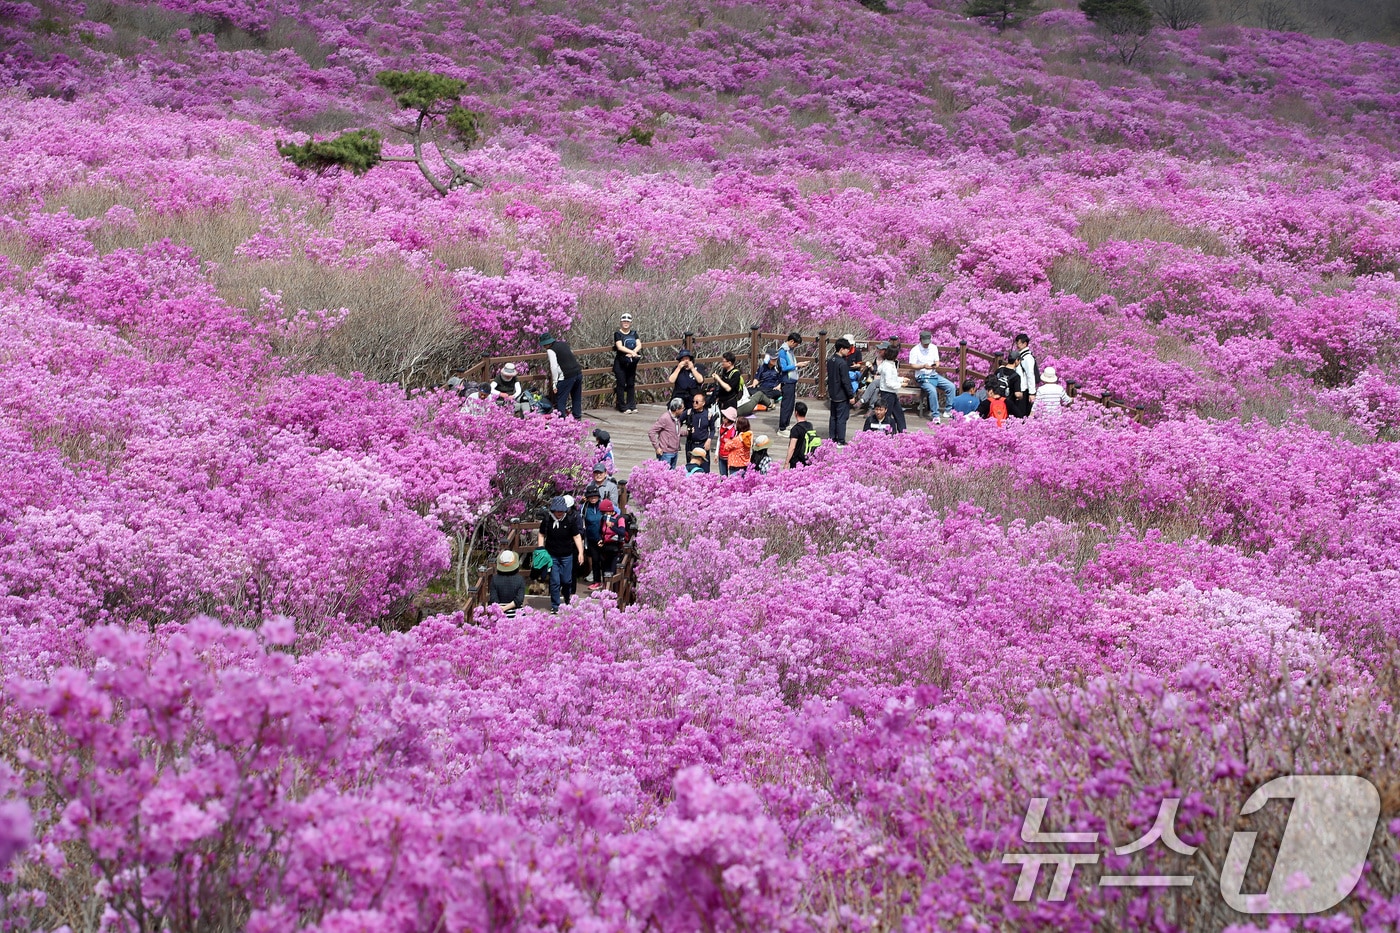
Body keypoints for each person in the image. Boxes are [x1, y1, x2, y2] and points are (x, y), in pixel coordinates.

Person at [538, 496, 583, 612]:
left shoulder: (569, 520)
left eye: (562, 511)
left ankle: (567, 598)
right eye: (557, 511)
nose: (559, 513)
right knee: (555, 581)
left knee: (566, 581)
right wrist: (541, 549)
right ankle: (555, 605)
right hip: (552, 555)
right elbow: (541, 534)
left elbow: (577, 536)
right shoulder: (547, 520)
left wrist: (580, 552)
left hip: (567, 555)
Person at [909, 330, 956, 421]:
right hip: (922, 376)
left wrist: (936, 365)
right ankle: (935, 415)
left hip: (933, 374)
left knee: (951, 386)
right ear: (920, 340)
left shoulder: (934, 348)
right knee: (932, 391)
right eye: (925, 343)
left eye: (928, 342)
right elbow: (913, 365)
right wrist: (923, 366)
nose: (926, 345)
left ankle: (948, 410)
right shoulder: (915, 350)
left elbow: (937, 361)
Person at [542, 334, 583, 420]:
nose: (544, 347)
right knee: (576, 397)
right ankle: (577, 417)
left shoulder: (551, 350)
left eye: (544, 345)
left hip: (566, 376)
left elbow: (554, 367)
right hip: (578, 372)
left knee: (560, 399)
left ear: (547, 344)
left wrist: (555, 382)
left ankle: (561, 420)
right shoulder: (563, 344)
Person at [826, 338, 855, 445]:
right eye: (847, 349)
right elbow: (845, 381)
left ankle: (832, 438)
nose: (848, 351)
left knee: (833, 417)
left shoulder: (831, 360)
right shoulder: (842, 363)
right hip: (842, 395)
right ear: (842, 349)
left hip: (833, 394)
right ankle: (841, 440)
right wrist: (851, 395)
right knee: (842, 418)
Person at [875, 344, 906, 434]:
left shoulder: (887, 363)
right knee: (886, 415)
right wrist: (900, 385)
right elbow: (889, 383)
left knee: (899, 413)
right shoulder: (888, 366)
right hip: (887, 393)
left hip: (891, 393)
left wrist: (902, 379)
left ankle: (903, 432)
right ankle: (886, 433)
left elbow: (892, 377)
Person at [613, 313, 641, 414]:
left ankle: (631, 405)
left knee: (630, 383)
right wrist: (632, 352)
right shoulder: (618, 334)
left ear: (631, 322)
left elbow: (639, 344)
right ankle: (622, 406)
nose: (626, 323)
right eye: (624, 321)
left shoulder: (634, 333)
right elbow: (619, 347)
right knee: (621, 384)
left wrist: (633, 353)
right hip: (621, 362)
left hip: (631, 362)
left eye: (628, 321)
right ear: (621, 322)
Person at [580, 485, 607, 589]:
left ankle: (606, 582)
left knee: (604, 561)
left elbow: (616, 512)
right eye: (591, 496)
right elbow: (580, 517)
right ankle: (597, 581)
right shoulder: (585, 507)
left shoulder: (603, 504)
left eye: (595, 496)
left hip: (604, 538)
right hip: (591, 538)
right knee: (595, 561)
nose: (593, 498)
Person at [648, 398, 686, 468]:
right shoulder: (665, 418)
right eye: (682, 408)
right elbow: (651, 432)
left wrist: (687, 432)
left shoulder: (677, 418)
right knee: (664, 474)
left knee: (671, 476)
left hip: (675, 451)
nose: (683, 410)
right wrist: (657, 447)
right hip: (665, 453)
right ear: (677, 409)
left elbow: (675, 431)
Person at [682, 392, 715, 472]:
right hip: (691, 444)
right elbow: (677, 422)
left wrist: (709, 439)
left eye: (697, 402)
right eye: (693, 402)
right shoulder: (688, 412)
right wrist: (683, 432)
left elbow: (712, 429)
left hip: (703, 444)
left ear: (703, 403)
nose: (694, 404)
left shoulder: (708, 415)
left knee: (705, 469)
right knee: (691, 468)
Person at [488, 549, 526, 616]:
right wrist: (506, 608)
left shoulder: (494, 579)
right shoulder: (520, 579)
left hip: (500, 614)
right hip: (516, 615)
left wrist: (502, 609)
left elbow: (493, 599)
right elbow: (519, 600)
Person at [777, 332, 800, 433]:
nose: (796, 346)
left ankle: (786, 424)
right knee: (786, 405)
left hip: (792, 380)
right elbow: (784, 367)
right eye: (796, 344)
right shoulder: (783, 352)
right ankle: (782, 428)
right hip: (786, 381)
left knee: (791, 404)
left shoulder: (790, 350)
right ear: (791, 341)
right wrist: (797, 365)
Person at [595, 498, 622, 582]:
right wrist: (600, 539)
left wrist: (612, 527)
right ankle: (605, 590)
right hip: (605, 548)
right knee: (605, 571)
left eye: (604, 512)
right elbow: (600, 532)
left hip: (615, 548)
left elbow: (622, 532)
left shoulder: (619, 519)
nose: (603, 514)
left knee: (612, 572)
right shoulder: (603, 519)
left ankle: (612, 592)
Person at [787, 401, 817, 469]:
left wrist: (786, 463)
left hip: (797, 461)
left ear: (796, 413)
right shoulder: (809, 425)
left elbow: (792, 447)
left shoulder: (795, 429)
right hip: (807, 458)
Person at [1014, 333, 1037, 417]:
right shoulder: (1021, 355)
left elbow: (1030, 374)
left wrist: (1032, 393)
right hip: (1021, 388)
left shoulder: (1027, 357)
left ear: (1025, 344)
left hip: (1024, 389)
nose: (1017, 345)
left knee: (1022, 413)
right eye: (1016, 343)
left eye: (1018, 343)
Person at [715, 407, 738, 477]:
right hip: (721, 456)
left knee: (732, 476)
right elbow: (719, 440)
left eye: (724, 417)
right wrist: (716, 454)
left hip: (730, 457)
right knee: (723, 476)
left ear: (729, 419)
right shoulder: (721, 427)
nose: (723, 418)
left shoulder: (734, 430)